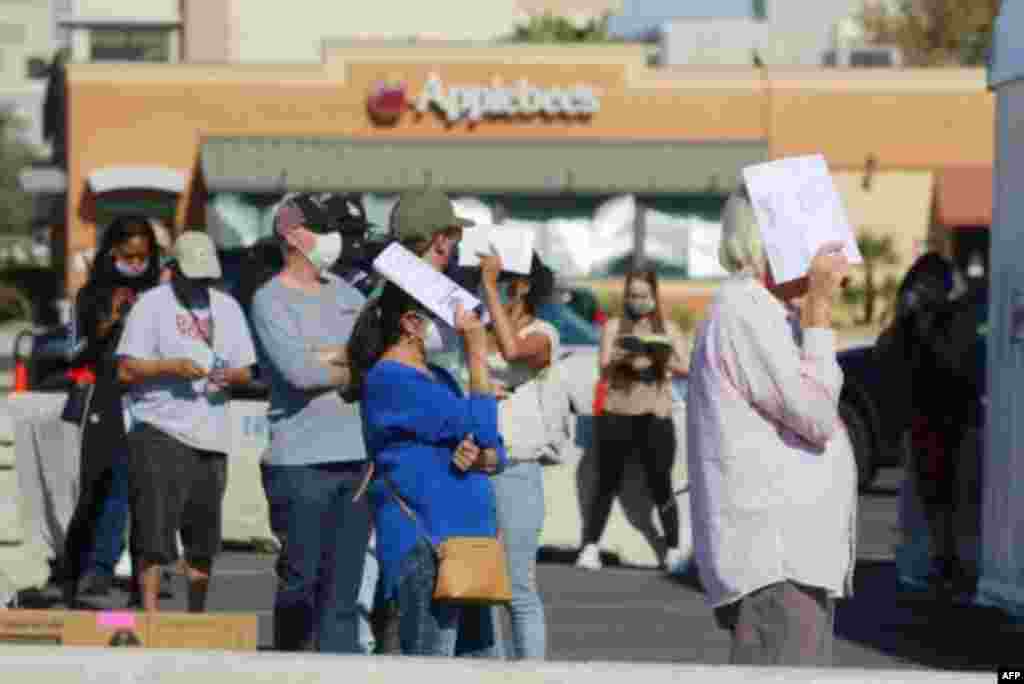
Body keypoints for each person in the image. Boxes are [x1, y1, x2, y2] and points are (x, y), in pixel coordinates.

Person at [687, 185, 856, 667]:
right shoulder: (744, 309)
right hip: (775, 560)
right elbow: (815, 415)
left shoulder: (766, 311)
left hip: (791, 559)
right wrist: (818, 311)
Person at [350, 283, 507, 656]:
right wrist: (477, 352)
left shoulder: (439, 376)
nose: (459, 327)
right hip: (426, 544)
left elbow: (495, 447)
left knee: (482, 665)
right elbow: (483, 426)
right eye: (448, 317)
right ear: (411, 323)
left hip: (470, 544)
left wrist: (482, 458)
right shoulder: (390, 379)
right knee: (431, 662)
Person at [250, 193, 373, 653]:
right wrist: (344, 363)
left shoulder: (349, 295)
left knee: (343, 592)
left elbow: (372, 357)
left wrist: (329, 359)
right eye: (323, 229)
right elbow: (299, 374)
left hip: (355, 459)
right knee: (300, 583)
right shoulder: (270, 300)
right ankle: (289, 666)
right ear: (294, 236)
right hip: (299, 463)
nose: (334, 239)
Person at [117, 231, 258, 612]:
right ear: (173, 269)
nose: (199, 284)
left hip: (211, 434)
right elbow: (126, 369)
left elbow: (246, 370)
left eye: (205, 277)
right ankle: (150, 614)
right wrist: (170, 367)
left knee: (203, 537)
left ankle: (195, 617)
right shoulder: (151, 305)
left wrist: (229, 376)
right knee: (153, 532)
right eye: (192, 276)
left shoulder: (227, 307)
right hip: (160, 428)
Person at [61, 216, 161, 605]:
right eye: (127, 256)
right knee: (104, 486)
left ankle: (143, 576)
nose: (135, 264)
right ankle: (91, 569)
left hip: (154, 401)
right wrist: (107, 324)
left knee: (146, 492)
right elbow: (74, 353)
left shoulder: (160, 294)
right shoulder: (91, 295)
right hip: (107, 401)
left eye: (142, 257)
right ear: (111, 253)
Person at [576, 269, 691, 574]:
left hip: (656, 414)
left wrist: (659, 356)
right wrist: (623, 356)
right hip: (617, 413)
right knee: (607, 481)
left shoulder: (669, 328)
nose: (637, 302)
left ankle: (673, 550)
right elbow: (602, 366)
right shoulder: (614, 326)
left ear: (654, 297)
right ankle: (590, 546)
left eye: (643, 296)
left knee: (661, 483)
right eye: (632, 296)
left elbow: (686, 367)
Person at [478, 250, 560, 660]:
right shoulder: (479, 329)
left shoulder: (544, 333)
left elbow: (513, 351)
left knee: (517, 586)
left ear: (522, 286)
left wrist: (490, 287)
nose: (485, 289)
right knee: (481, 588)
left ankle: (532, 673)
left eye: (499, 281)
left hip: (516, 469)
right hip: (474, 468)